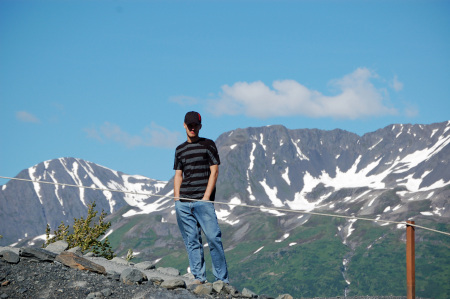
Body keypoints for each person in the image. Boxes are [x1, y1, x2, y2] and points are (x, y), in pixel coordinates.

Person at [173, 111, 229, 284]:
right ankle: (199, 279)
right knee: (192, 241)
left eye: (195, 125)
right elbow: (178, 175)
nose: (192, 128)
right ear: (184, 125)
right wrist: (176, 199)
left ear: (200, 126)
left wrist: (206, 197)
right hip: (183, 202)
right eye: (189, 125)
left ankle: (222, 280)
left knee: (213, 238)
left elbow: (215, 171)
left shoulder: (208, 145)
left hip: (203, 202)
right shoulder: (180, 150)